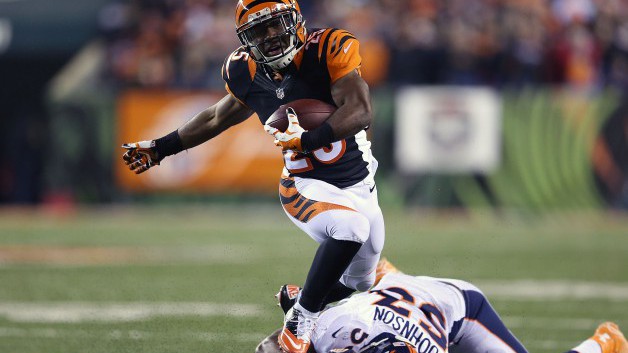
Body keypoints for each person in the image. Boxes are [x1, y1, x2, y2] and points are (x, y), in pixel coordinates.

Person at [120, 1, 384, 352]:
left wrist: (308, 139)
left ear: (295, 21)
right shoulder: (245, 70)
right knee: (351, 229)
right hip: (305, 184)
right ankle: (300, 320)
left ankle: (301, 297)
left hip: (359, 183)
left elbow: (361, 111)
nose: (271, 36)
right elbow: (218, 117)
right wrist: (161, 148)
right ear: (246, 39)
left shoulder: (329, 49)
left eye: (276, 25)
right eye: (259, 30)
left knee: (362, 279)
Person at [257, 259, 628, 353]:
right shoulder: (319, 331)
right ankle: (390, 274)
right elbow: (281, 339)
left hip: (460, 309)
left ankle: (604, 344)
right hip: (398, 299)